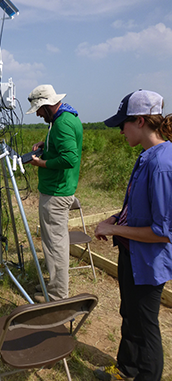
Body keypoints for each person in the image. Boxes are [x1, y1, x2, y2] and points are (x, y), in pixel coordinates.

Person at [94, 90, 172, 381]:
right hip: (132, 254)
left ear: (140, 121)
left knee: (145, 323)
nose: (120, 131)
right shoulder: (147, 156)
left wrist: (113, 228)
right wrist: (115, 218)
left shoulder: (163, 164)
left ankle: (146, 375)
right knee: (130, 315)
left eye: (122, 124)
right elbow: (137, 209)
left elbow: (163, 232)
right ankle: (126, 369)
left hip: (149, 261)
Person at [26, 84, 83, 303]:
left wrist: (42, 162)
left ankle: (58, 294)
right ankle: (57, 288)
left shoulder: (62, 123)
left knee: (55, 245)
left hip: (56, 194)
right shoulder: (65, 117)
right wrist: (46, 145)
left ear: (48, 105)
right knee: (56, 242)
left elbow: (70, 158)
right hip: (59, 190)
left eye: (39, 109)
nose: (38, 114)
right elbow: (64, 148)